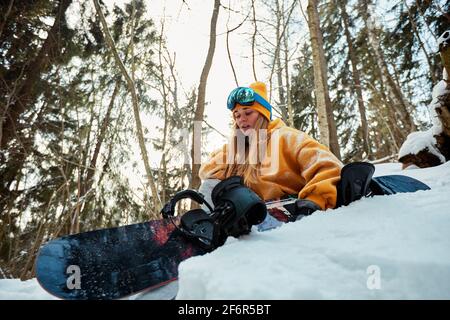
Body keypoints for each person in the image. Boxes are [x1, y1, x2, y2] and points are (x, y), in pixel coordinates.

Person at [198, 81, 343, 219]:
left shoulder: (285, 137)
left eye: (248, 113)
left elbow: (329, 166)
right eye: (237, 116)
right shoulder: (240, 150)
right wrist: (234, 148)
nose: (241, 119)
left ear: (262, 115)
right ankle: (211, 228)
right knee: (210, 185)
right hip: (252, 215)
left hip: (290, 212)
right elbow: (208, 173)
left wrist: (314, 201)